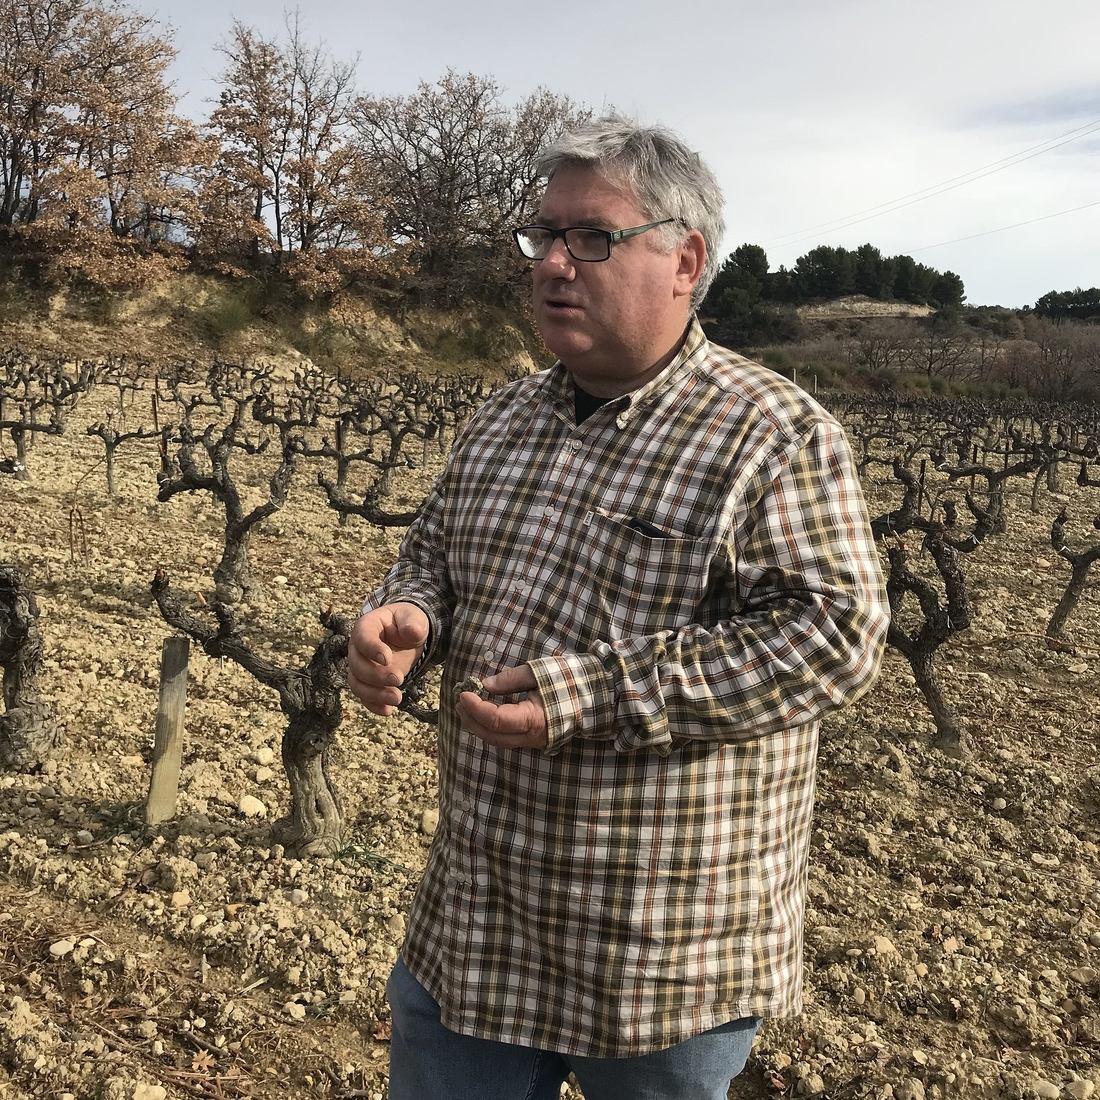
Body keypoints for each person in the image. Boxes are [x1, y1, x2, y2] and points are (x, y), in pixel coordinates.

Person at [348, 116, 889, 1100]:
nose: (552, 262)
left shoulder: (771, 436)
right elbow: (432, 553)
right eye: (541, 235)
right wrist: (408, 615)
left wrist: (586, 693)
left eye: (589, 237)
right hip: (476, 923)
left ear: (684, 258)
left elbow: (832, 636)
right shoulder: (502, 417)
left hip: (658, 962)